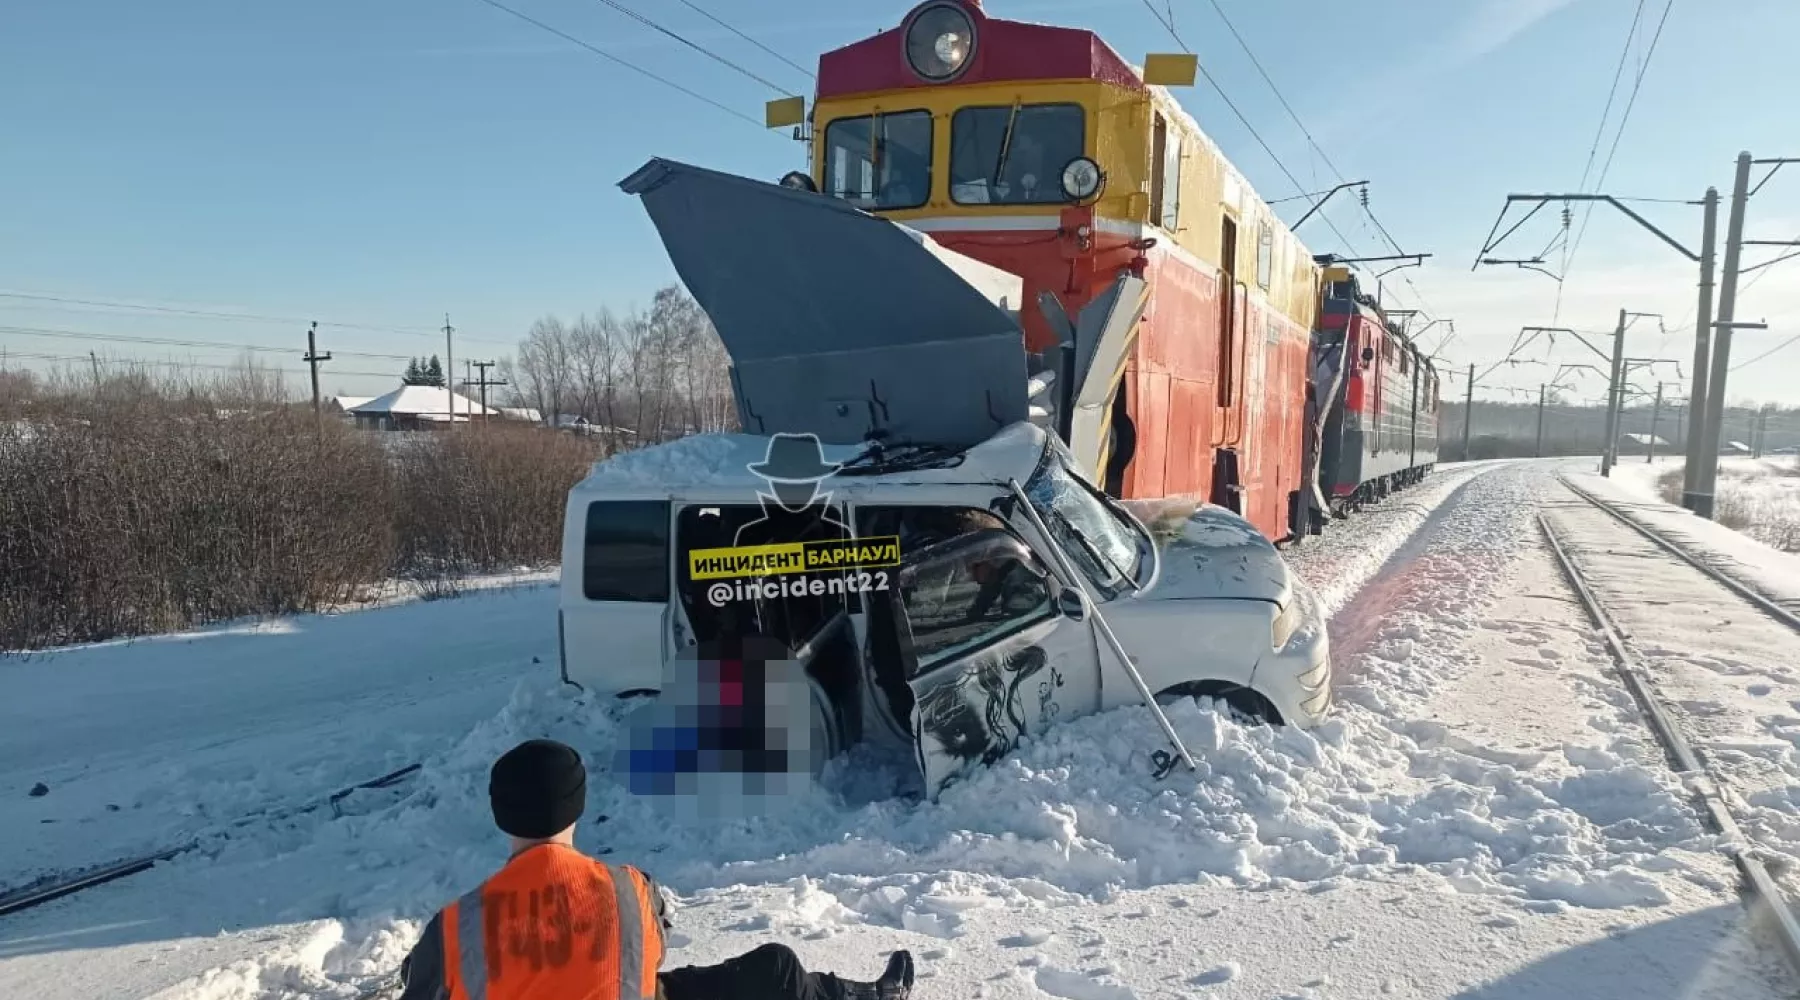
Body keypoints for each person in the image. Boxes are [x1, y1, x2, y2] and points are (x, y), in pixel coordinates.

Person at [397, 738, 916, 1000]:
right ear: (578, 806)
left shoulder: (453, 927)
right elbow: (654, 949)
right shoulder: (631, 890)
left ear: (497, 812)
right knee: (774, 970)